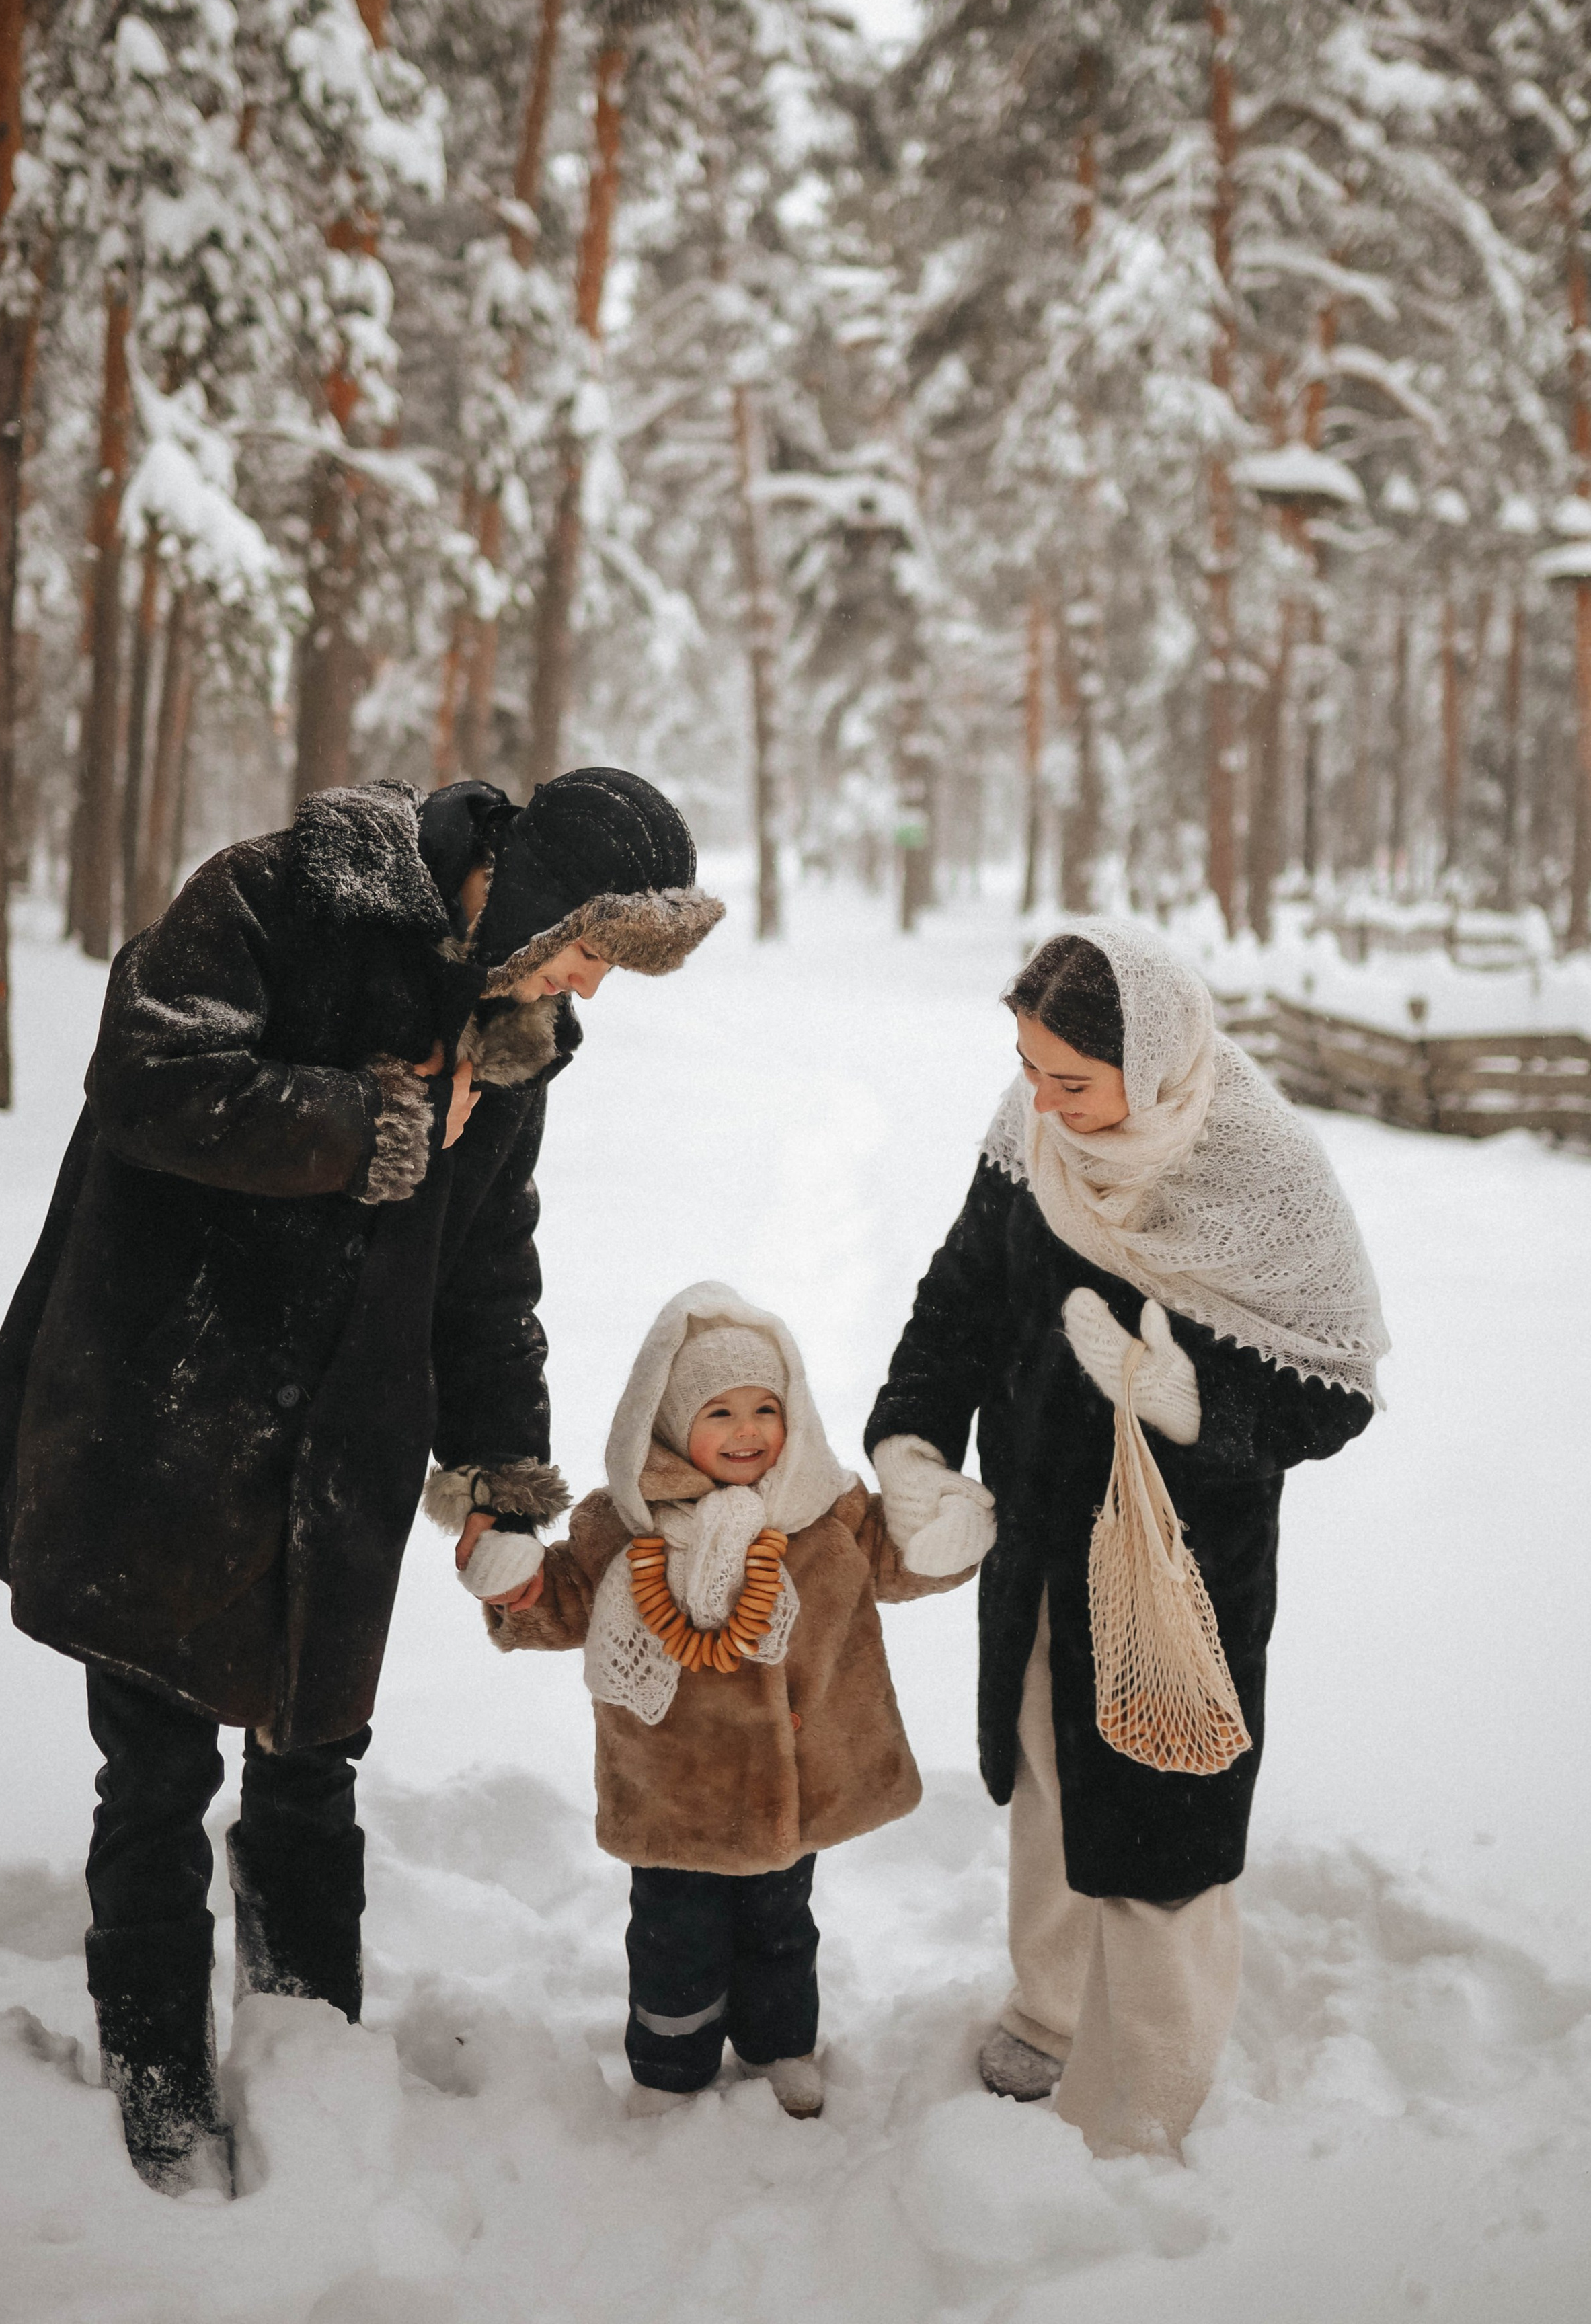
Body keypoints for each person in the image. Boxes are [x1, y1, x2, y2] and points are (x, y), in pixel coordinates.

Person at [0, 767, 724, 2194]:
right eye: (594, 947)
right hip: (171, 1406)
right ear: (537, 895)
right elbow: (150, 1078)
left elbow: (486, 1264)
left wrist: (500, 1471)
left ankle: (309, 2050)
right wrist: (367, 1124)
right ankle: (158, 2073)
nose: (593, 984)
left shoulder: (515, 1031)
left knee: (310, 1755)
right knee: (156, 1769)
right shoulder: (279, 894)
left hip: (345, 1441)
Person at [865, 921, 1387, 2159]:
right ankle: (1050, 2011)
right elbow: (962, 1295)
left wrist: (1188, 1400)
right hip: (1039, 1533)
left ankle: (1149, 2098)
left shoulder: (1262, 1175)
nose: (1042, 1103)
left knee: (1163, 1823)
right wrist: (914, 1445)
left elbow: (1338, 1396)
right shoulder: (1034, 1127)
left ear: (1151, 1067)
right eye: (1027, 1067)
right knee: (1048, 1770)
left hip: (1177, 1570)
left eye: (1073, 1081)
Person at [464, 1282, 994, 2116]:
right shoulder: (622, 1526)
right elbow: (560, 1600)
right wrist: (516, 1588)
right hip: (675, 1795)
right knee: (673, 1937)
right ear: (671, 1423)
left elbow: (898, 1559)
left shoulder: (827, 1513)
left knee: (782, 1927)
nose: (747, 1431)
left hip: (800, 1783)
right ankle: (670, 2063)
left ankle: (778, 2046)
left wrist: (945, 1542)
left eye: (764, 1410)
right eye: (719, 1413)